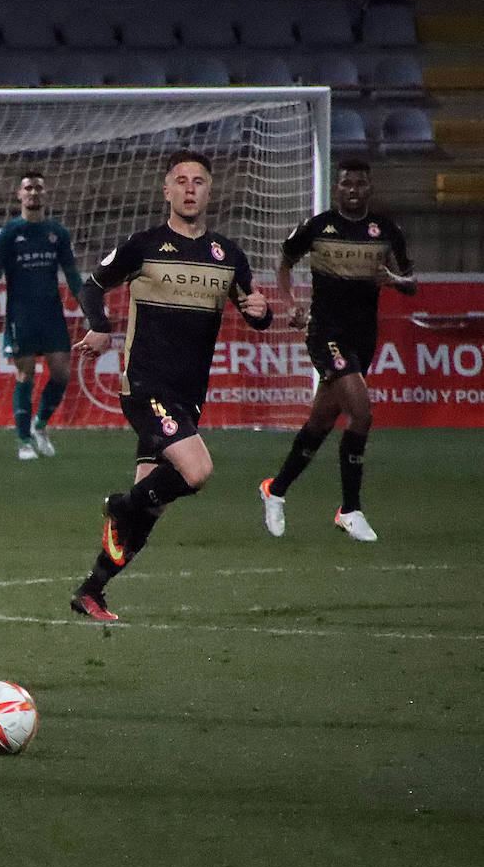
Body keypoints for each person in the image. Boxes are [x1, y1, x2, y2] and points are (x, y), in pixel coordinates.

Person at [69, 150, 272, 621]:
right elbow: (91, 287)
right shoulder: (142, 245)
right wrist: (99, 324)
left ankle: (92, 590)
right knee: (196, 471)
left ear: (209, 190)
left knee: (150, 508)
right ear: (166, 191)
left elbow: (254, 310)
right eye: (180, 180)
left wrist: (264, 313)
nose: (189, 188)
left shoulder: (228, 256)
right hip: (145, 384)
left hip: (187, 395)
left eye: (198, 181)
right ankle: (118, 506)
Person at [258, 158, 415, 543]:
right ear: (337, 188)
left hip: (364, 336)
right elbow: (284, 262)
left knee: (321, 423)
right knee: (361, 414)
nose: (353, 190)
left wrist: (394, 279)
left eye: (360, 184)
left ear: (369, 188)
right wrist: (292, 303)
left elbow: (411, 282)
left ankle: (275, 490)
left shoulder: (386, 231)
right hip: (325, 332)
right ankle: (350, 509)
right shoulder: (318, 227)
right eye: (346, 183)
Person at [0, 171, 84, 460]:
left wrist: (89, 309)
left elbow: (72, 276)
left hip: (52, 315)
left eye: (38, 188)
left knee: (62, 373)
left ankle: (40, 425)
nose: (33, 193)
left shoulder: (57, 234)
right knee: (25, 375)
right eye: (28, 188)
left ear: (45, 194)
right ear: (19, 195)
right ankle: (23, 441)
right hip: (20, 316)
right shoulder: (8, 234)